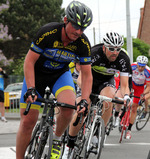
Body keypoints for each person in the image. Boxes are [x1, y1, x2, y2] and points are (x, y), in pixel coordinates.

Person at [16, 1, 93, 159]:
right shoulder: (48, 32)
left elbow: (87, 74)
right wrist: (31, 88)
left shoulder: (83, 43)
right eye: (76, 26)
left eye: (83, 28)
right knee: (28, 122)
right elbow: (29, 61)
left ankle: (57, 140)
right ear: (66, 20)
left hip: (59, 75)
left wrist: (84, 100)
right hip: (37, 75)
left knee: (69, 106)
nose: (79, 31)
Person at [62, 31, 132, 158]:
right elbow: (81, 78)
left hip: (106, 82)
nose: (115, 52)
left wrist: (126, 96)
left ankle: (97, 134)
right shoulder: (93, 53)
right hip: (88, 80)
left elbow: (124, 86)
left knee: (109, 99)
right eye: (111, 49)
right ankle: (69, 146)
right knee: (82, 109)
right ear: (104, 47)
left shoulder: (123, 59)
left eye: (118, 49)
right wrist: (85, 96)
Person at [125, 55, 150, 139]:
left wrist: (143, 94)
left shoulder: (148, 71)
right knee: (124, 97)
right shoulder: (132, 66)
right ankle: (121, 114)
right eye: (139, 65)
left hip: (140, 87)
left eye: (142, 66)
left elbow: (148, 86)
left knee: (134, 107)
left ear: (145, 66)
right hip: (131, 83)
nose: (140, 68)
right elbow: (126, 78)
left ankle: (129, 130)